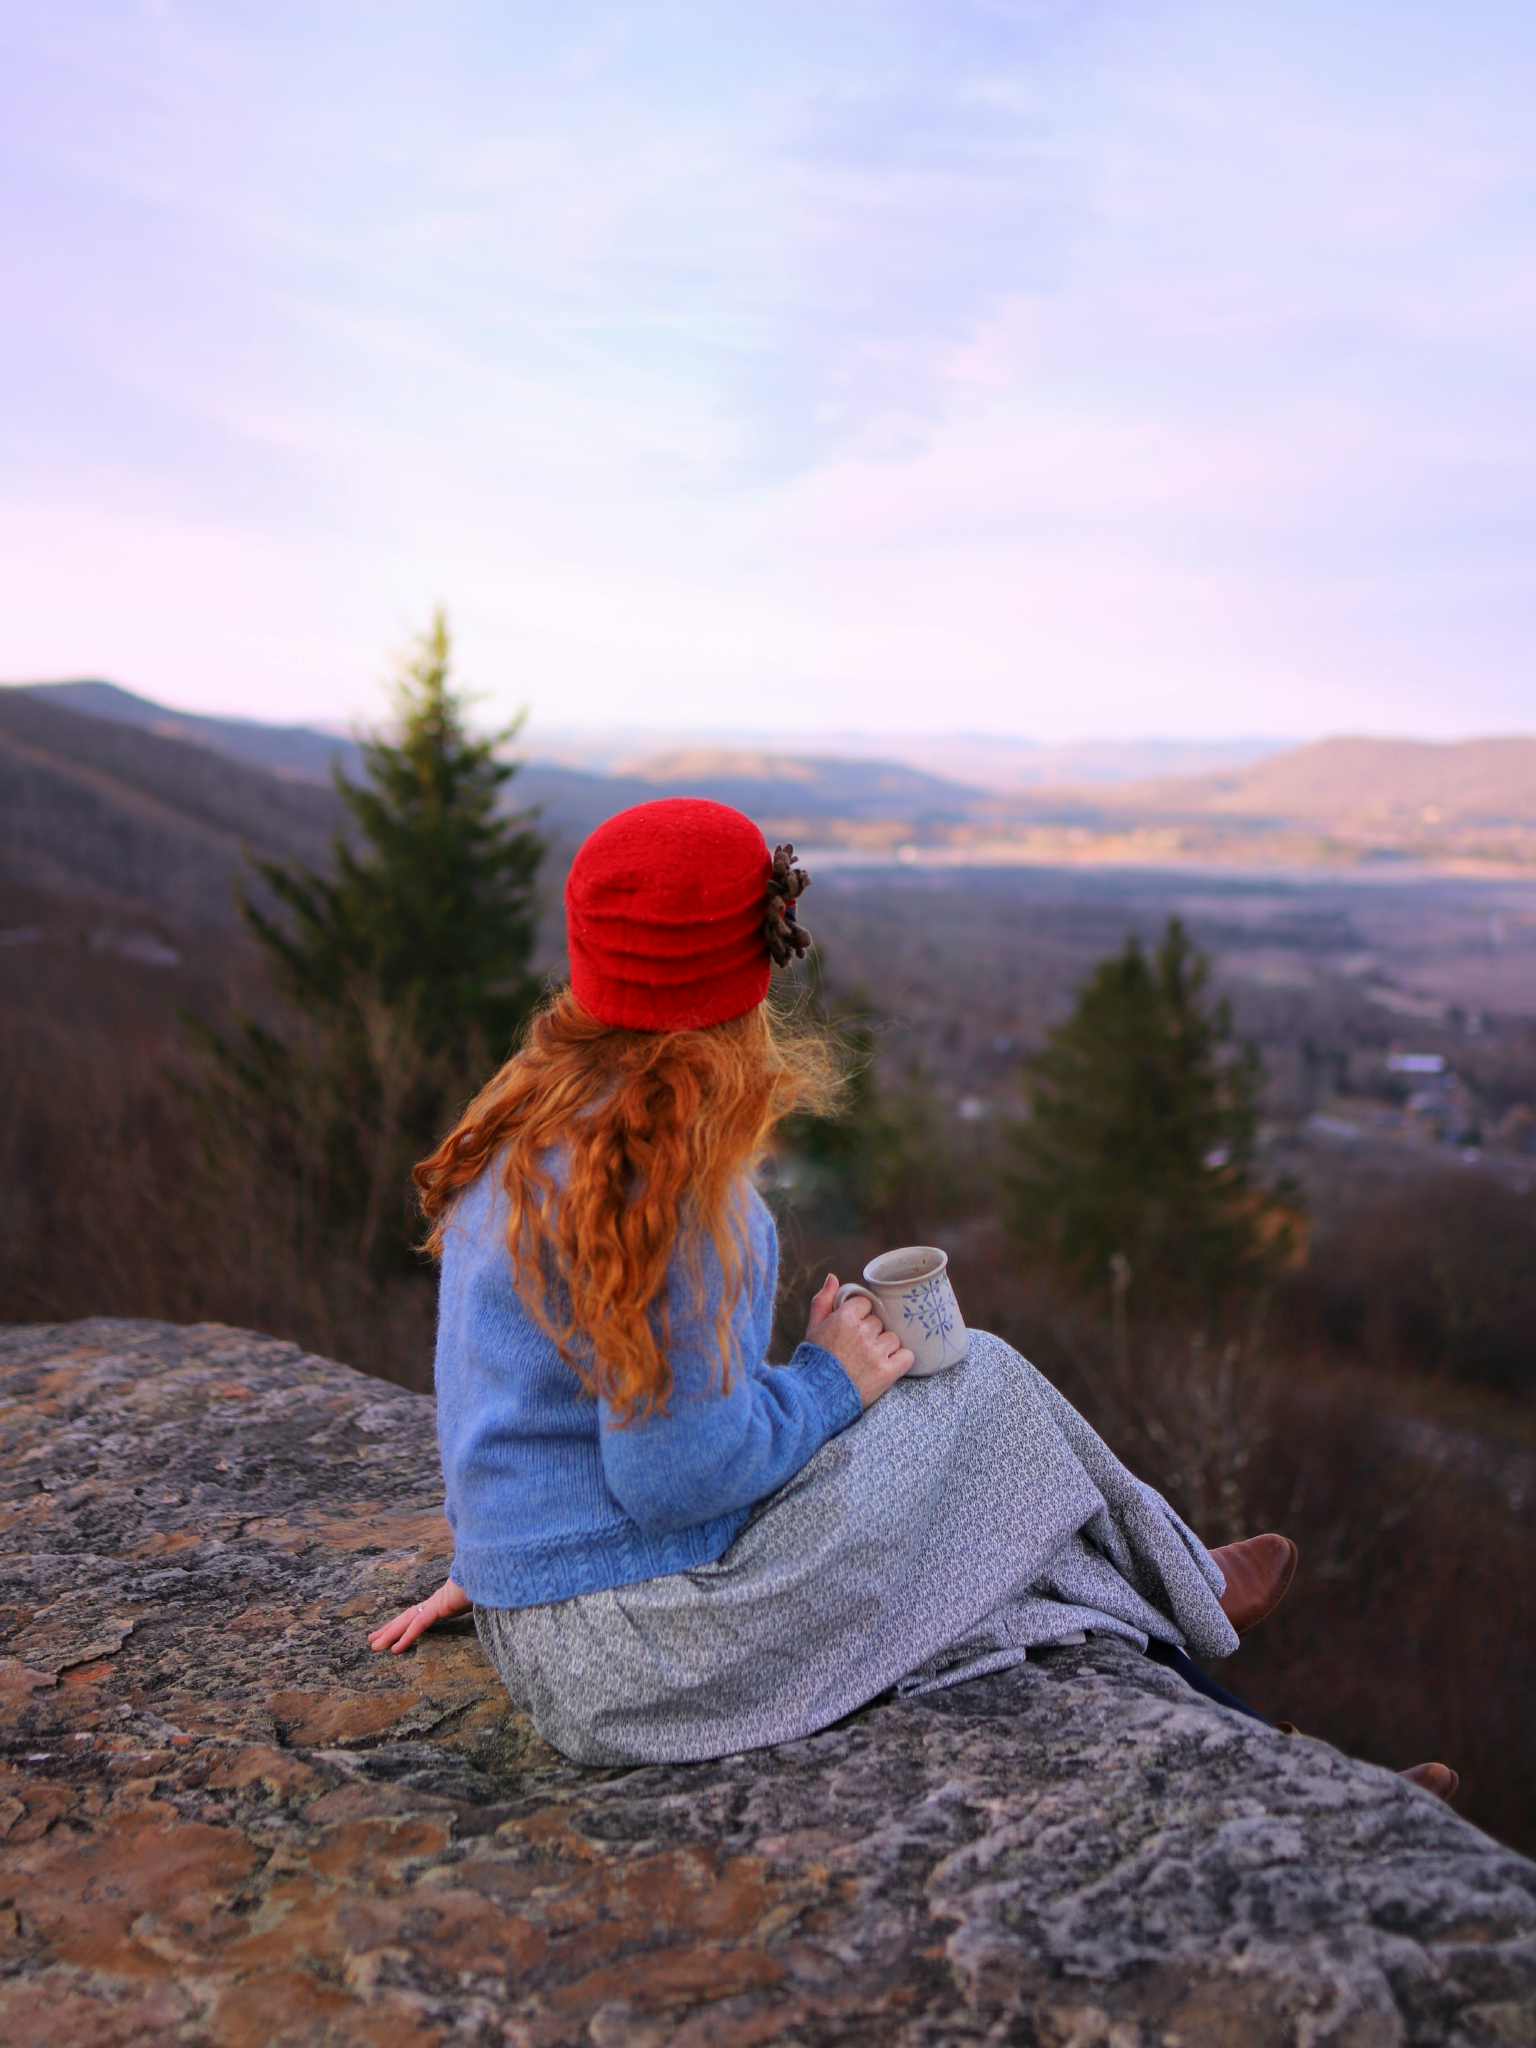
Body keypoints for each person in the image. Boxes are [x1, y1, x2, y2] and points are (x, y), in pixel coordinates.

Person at [369, 796, 1457, 1803]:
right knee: (975, 1383)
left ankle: (1260, 1730)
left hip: (562, 1626)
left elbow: (512, 1399)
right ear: (746, 974)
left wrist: (510, 1555)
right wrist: (830, 1379)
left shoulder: (525, 1126)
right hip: (641, 1652)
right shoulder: (668, 1192)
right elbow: (673, 1473)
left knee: (990, 1532)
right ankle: (1216, 1637)